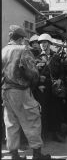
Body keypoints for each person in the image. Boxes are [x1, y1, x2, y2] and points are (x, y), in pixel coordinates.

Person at [2, 25, 51, 159]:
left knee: (11, 123)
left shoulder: (4, 50)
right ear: (22, 38)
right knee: (32, 120)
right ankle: (37, 154)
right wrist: (37, 78)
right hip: (21, 91)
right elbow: (32, 73)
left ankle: (14, 155)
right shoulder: (23, 50)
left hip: (6, 91)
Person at [37, 33, 65, 142]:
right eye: (41, 43)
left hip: (54, 87)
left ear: (49, 44)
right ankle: (43, 133)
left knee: (55, 110)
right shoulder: (37, 58)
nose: (43, 45)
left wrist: (60, 80)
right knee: (43, 111)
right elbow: (33, 74)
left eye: (45, 42)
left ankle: (55, 133)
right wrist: (38, 84)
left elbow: (62, 72)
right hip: (42, 88)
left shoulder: (56, 56)